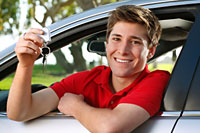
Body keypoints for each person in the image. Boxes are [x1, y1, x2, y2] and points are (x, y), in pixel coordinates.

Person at [7, 5, 170, 132]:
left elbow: (111, 128)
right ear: (106, 45)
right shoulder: (85, 80)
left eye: (135, 42)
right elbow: (19, 113)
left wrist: (75, 107)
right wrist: (25, 65)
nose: (122, 50)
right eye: (116, 39)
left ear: (150, 51)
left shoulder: (157, 80)